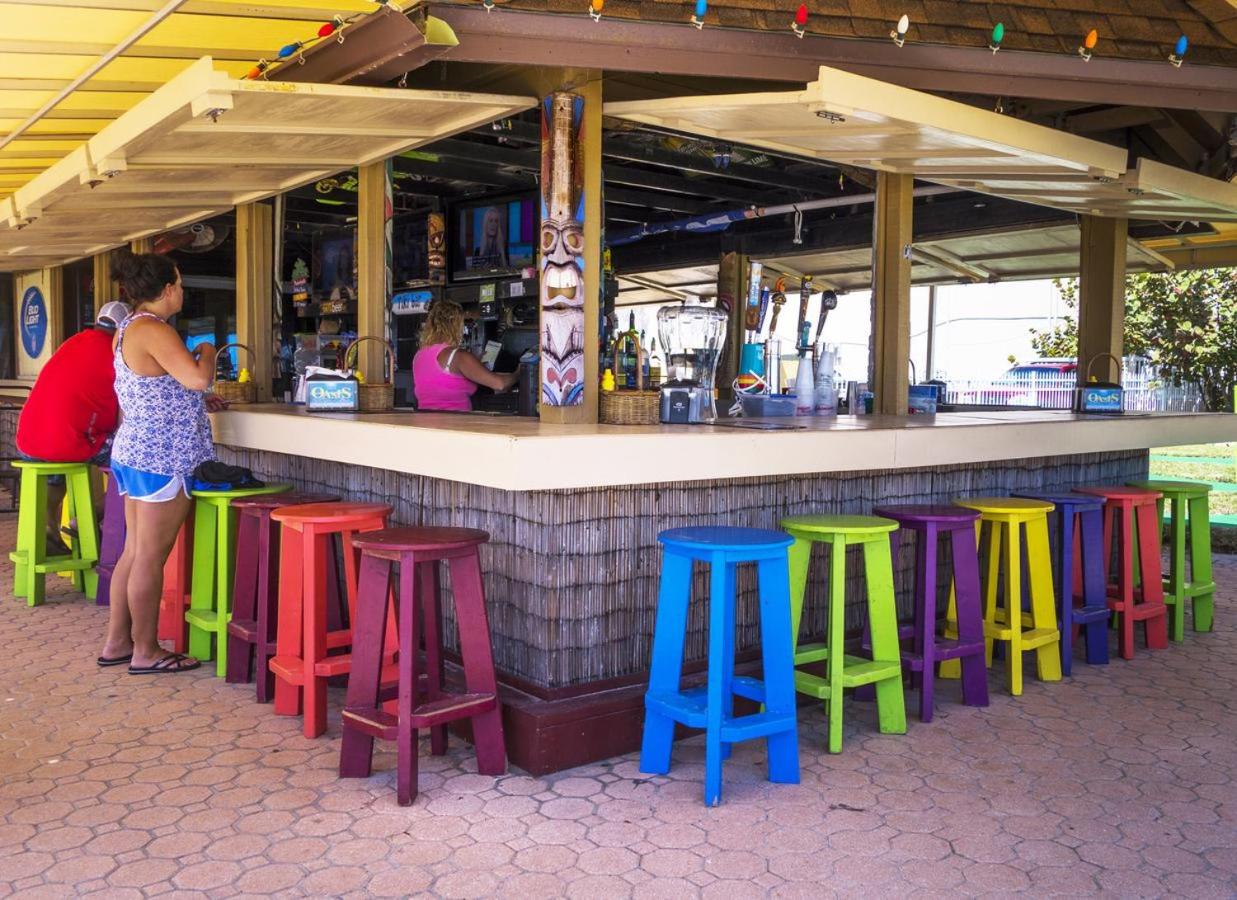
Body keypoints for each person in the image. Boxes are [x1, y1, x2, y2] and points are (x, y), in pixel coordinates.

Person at [98, 250, 216, 675]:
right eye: (180, 285)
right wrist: (208, 351)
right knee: (149, 556)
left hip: (136, 450)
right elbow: (198, 379)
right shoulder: (154, 329)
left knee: (134, 551)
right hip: (162, 456)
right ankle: (146, 650)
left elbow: (158, 386)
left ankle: (118, 642)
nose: (182, 291)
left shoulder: (127, 328)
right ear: (167, 290)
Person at [16, 300, 131, 556]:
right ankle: (90, 517)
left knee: (56, 464)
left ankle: (48, 531)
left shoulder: (73, 342)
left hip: (28, 439)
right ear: (124, 330)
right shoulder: (117, 353)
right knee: (137, 463)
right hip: (65, 443)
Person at [412, 300, 519, 412]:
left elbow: (441, 381)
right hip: (455, 420)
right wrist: (519, 373)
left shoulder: (419, 356)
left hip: (424, 419)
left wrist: (476, 364)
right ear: (456, 325)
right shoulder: (457, 356)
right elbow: (499, 384)